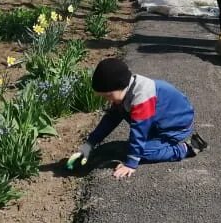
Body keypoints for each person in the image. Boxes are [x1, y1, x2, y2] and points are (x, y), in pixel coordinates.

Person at [66, 58, 207, 179]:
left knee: (143, 153)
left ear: (121, 86)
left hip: (175, 126)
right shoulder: (126, 90)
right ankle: (154, 141)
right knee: (123, 124)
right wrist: (87, 146)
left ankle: (186, 149)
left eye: (107, 96)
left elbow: (139, 131)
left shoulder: (142, 96)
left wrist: (131, 164)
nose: (107, 100)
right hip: (159, 122)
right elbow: (109, 121)